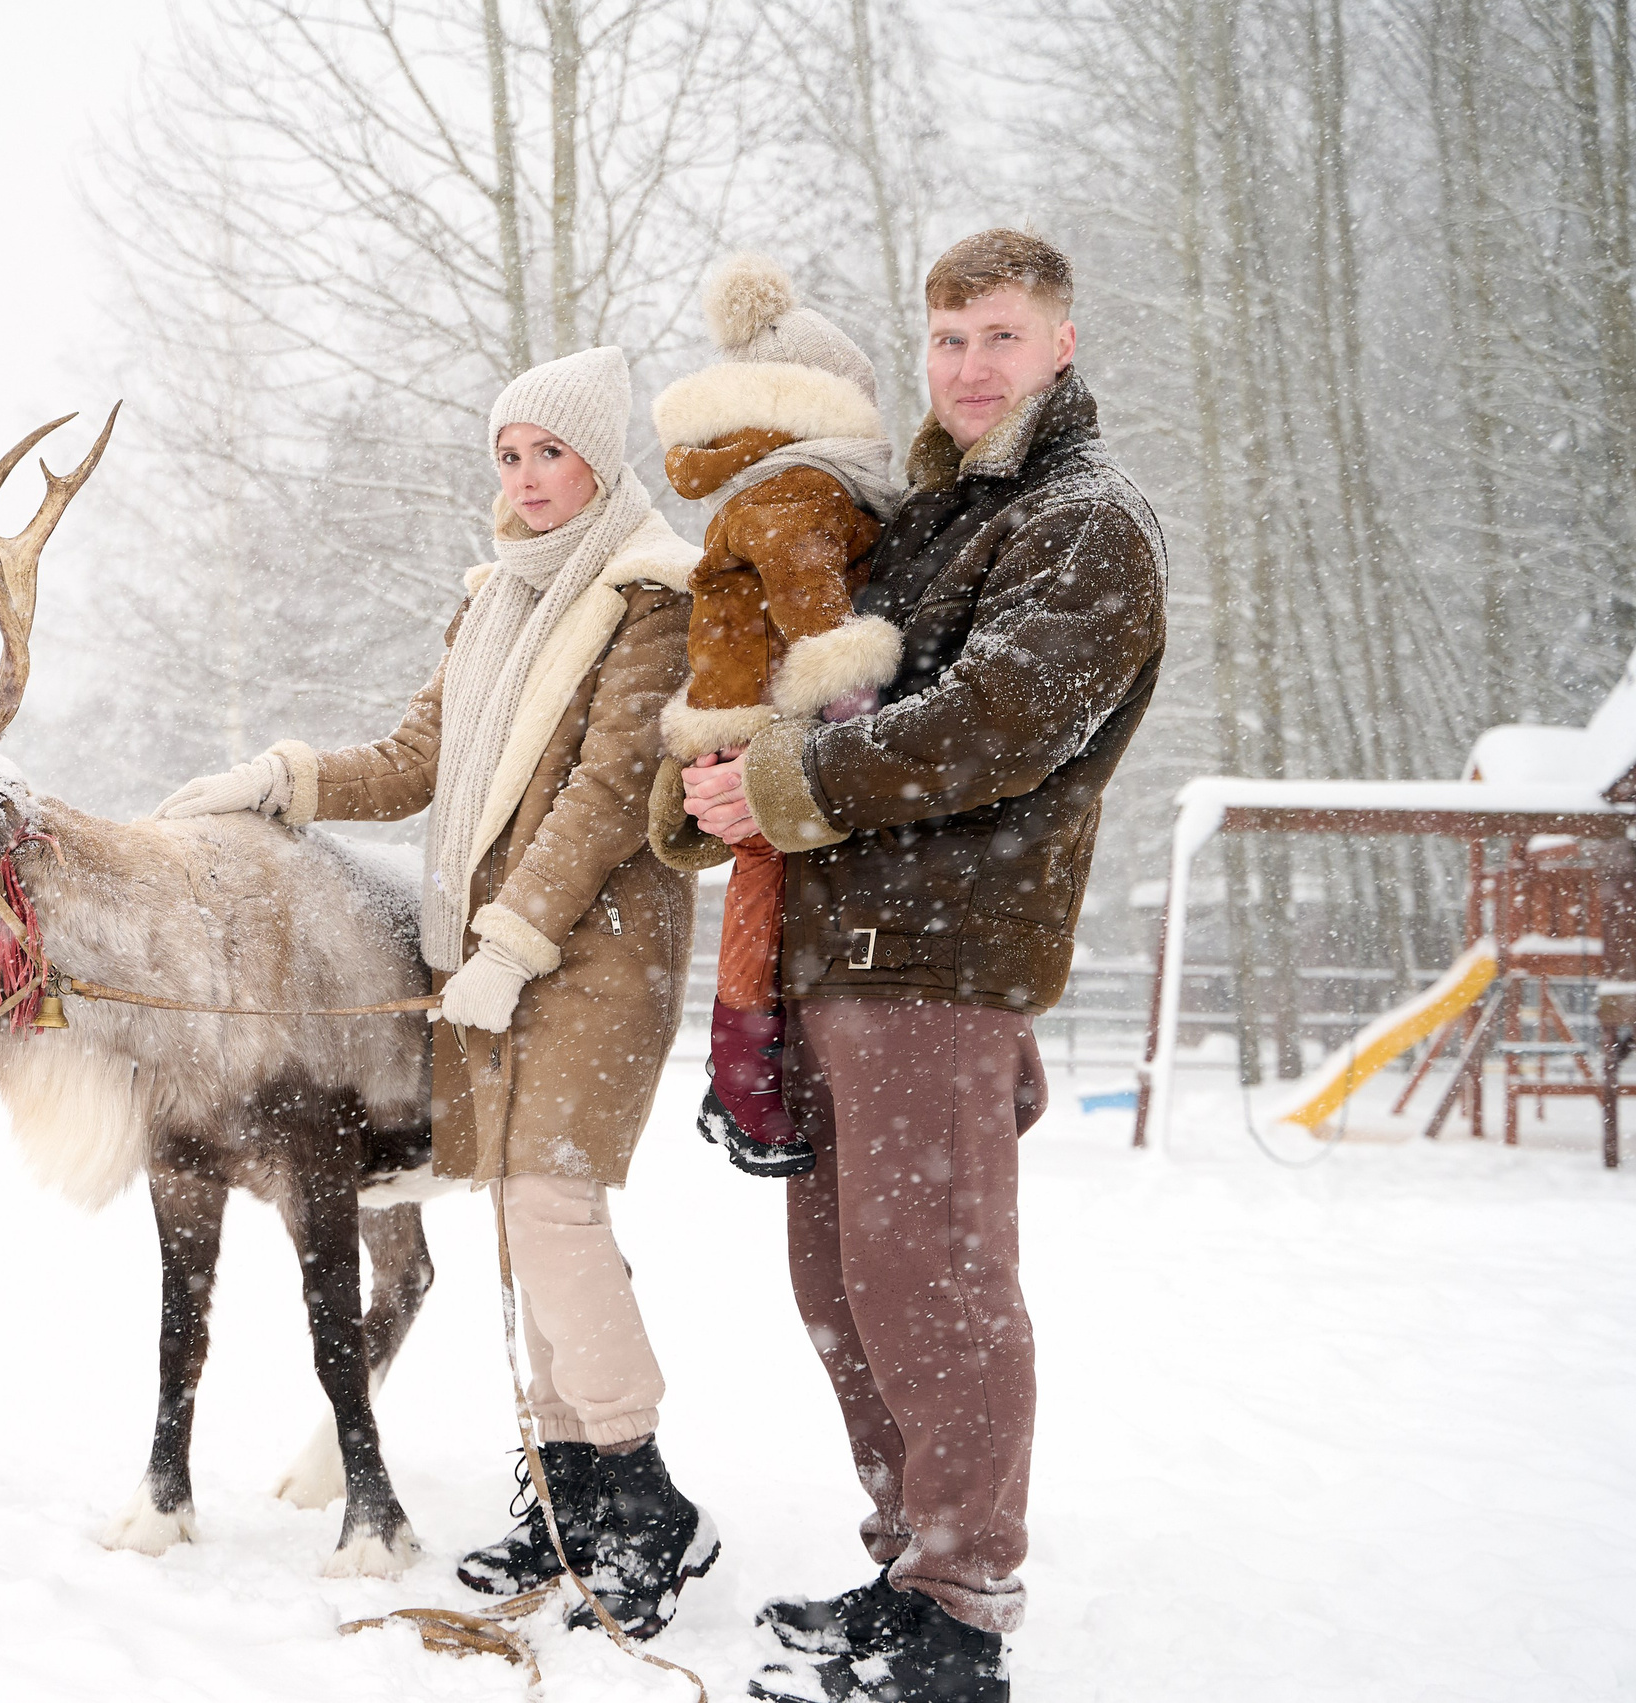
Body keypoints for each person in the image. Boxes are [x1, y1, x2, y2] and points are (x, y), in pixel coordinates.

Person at [650, 230, 1167, 1703]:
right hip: (839, 946)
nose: (969, 367)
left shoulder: (1083, 521)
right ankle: (905, 1560)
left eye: (1000, 336)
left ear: (1062, 341)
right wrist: (726, 777)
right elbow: (814, 679)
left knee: (932, 1278)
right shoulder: (929, 515)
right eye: (947, 341)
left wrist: (793, 781)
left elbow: (998, 720)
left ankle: (962, 1600)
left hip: (944, 953)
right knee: (843, 1277)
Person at [153, 345, 716, 1640]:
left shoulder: (649, 598)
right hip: (490, 960)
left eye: (549, 453)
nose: (524, 478)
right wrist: (282, 780)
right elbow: (419, 756)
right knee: (526, 1222)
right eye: (509, 456)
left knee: (550, 1208)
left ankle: (641, 1495)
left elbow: (607, 790)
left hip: (592, 956)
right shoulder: (492, 600)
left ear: (599, 459)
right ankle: (569, 1487)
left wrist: (514, 938)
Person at [647, 251, 906, 1181]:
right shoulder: (801, 489)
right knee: (770, 884)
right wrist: (857, 700)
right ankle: (747, 1073)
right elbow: (808, 594)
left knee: (771, 890)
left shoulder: (767, 485)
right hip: (769, 717)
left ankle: (751, 1062)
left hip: (740, 709)